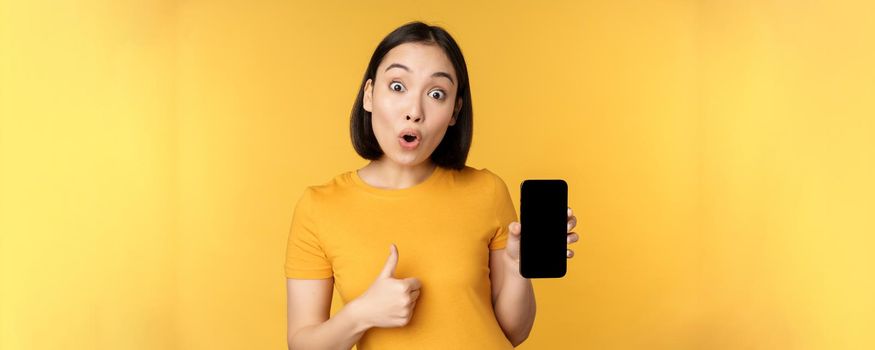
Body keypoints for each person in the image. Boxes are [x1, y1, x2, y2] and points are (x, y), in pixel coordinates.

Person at [285, 21, 580, 350]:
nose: (414, 111)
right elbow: (302, 344)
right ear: (369, 95)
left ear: (454, 111)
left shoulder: (487, 190)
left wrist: (516, 268)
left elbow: (514, 332)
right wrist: (361, 315)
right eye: (398, 87)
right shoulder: (320, 207)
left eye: (436, 94)